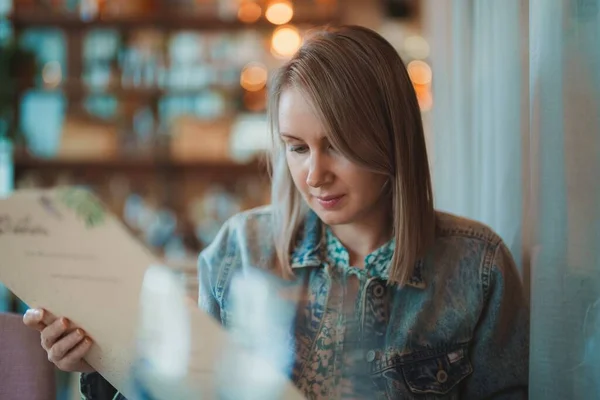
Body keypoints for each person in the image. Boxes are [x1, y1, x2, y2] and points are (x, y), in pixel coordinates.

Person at [24, 25, 529, 399]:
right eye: (297, 147)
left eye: (339, 146)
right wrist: (99, 365)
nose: (314, 175)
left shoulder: (477, 267)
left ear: (391, 140)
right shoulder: (238, 252)